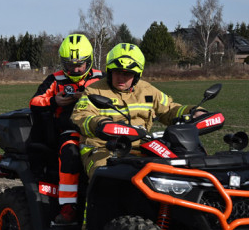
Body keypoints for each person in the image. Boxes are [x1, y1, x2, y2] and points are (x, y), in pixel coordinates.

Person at [71, 42, 194, 181]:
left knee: (175, 173)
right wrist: (100, 123)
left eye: (127, 74)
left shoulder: (147, 90)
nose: (121, 78)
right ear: (109, 70)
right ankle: (94, 203)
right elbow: (80, 115)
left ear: (137, 75)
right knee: (108, 178)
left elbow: (170, 109)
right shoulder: (94, 91)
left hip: (142, 147)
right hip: (101, 149)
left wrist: (194, 112)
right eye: (117, 72)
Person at [29, 34, 104, 224]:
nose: (76, 69)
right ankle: (68, 208)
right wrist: (54, 101)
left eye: (80, 65)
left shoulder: (101, 78)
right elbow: (35, 101)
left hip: (101, 131)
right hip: (70, 132)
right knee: (69, 152)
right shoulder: (55, 79)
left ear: (89, 61)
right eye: (70, 65)